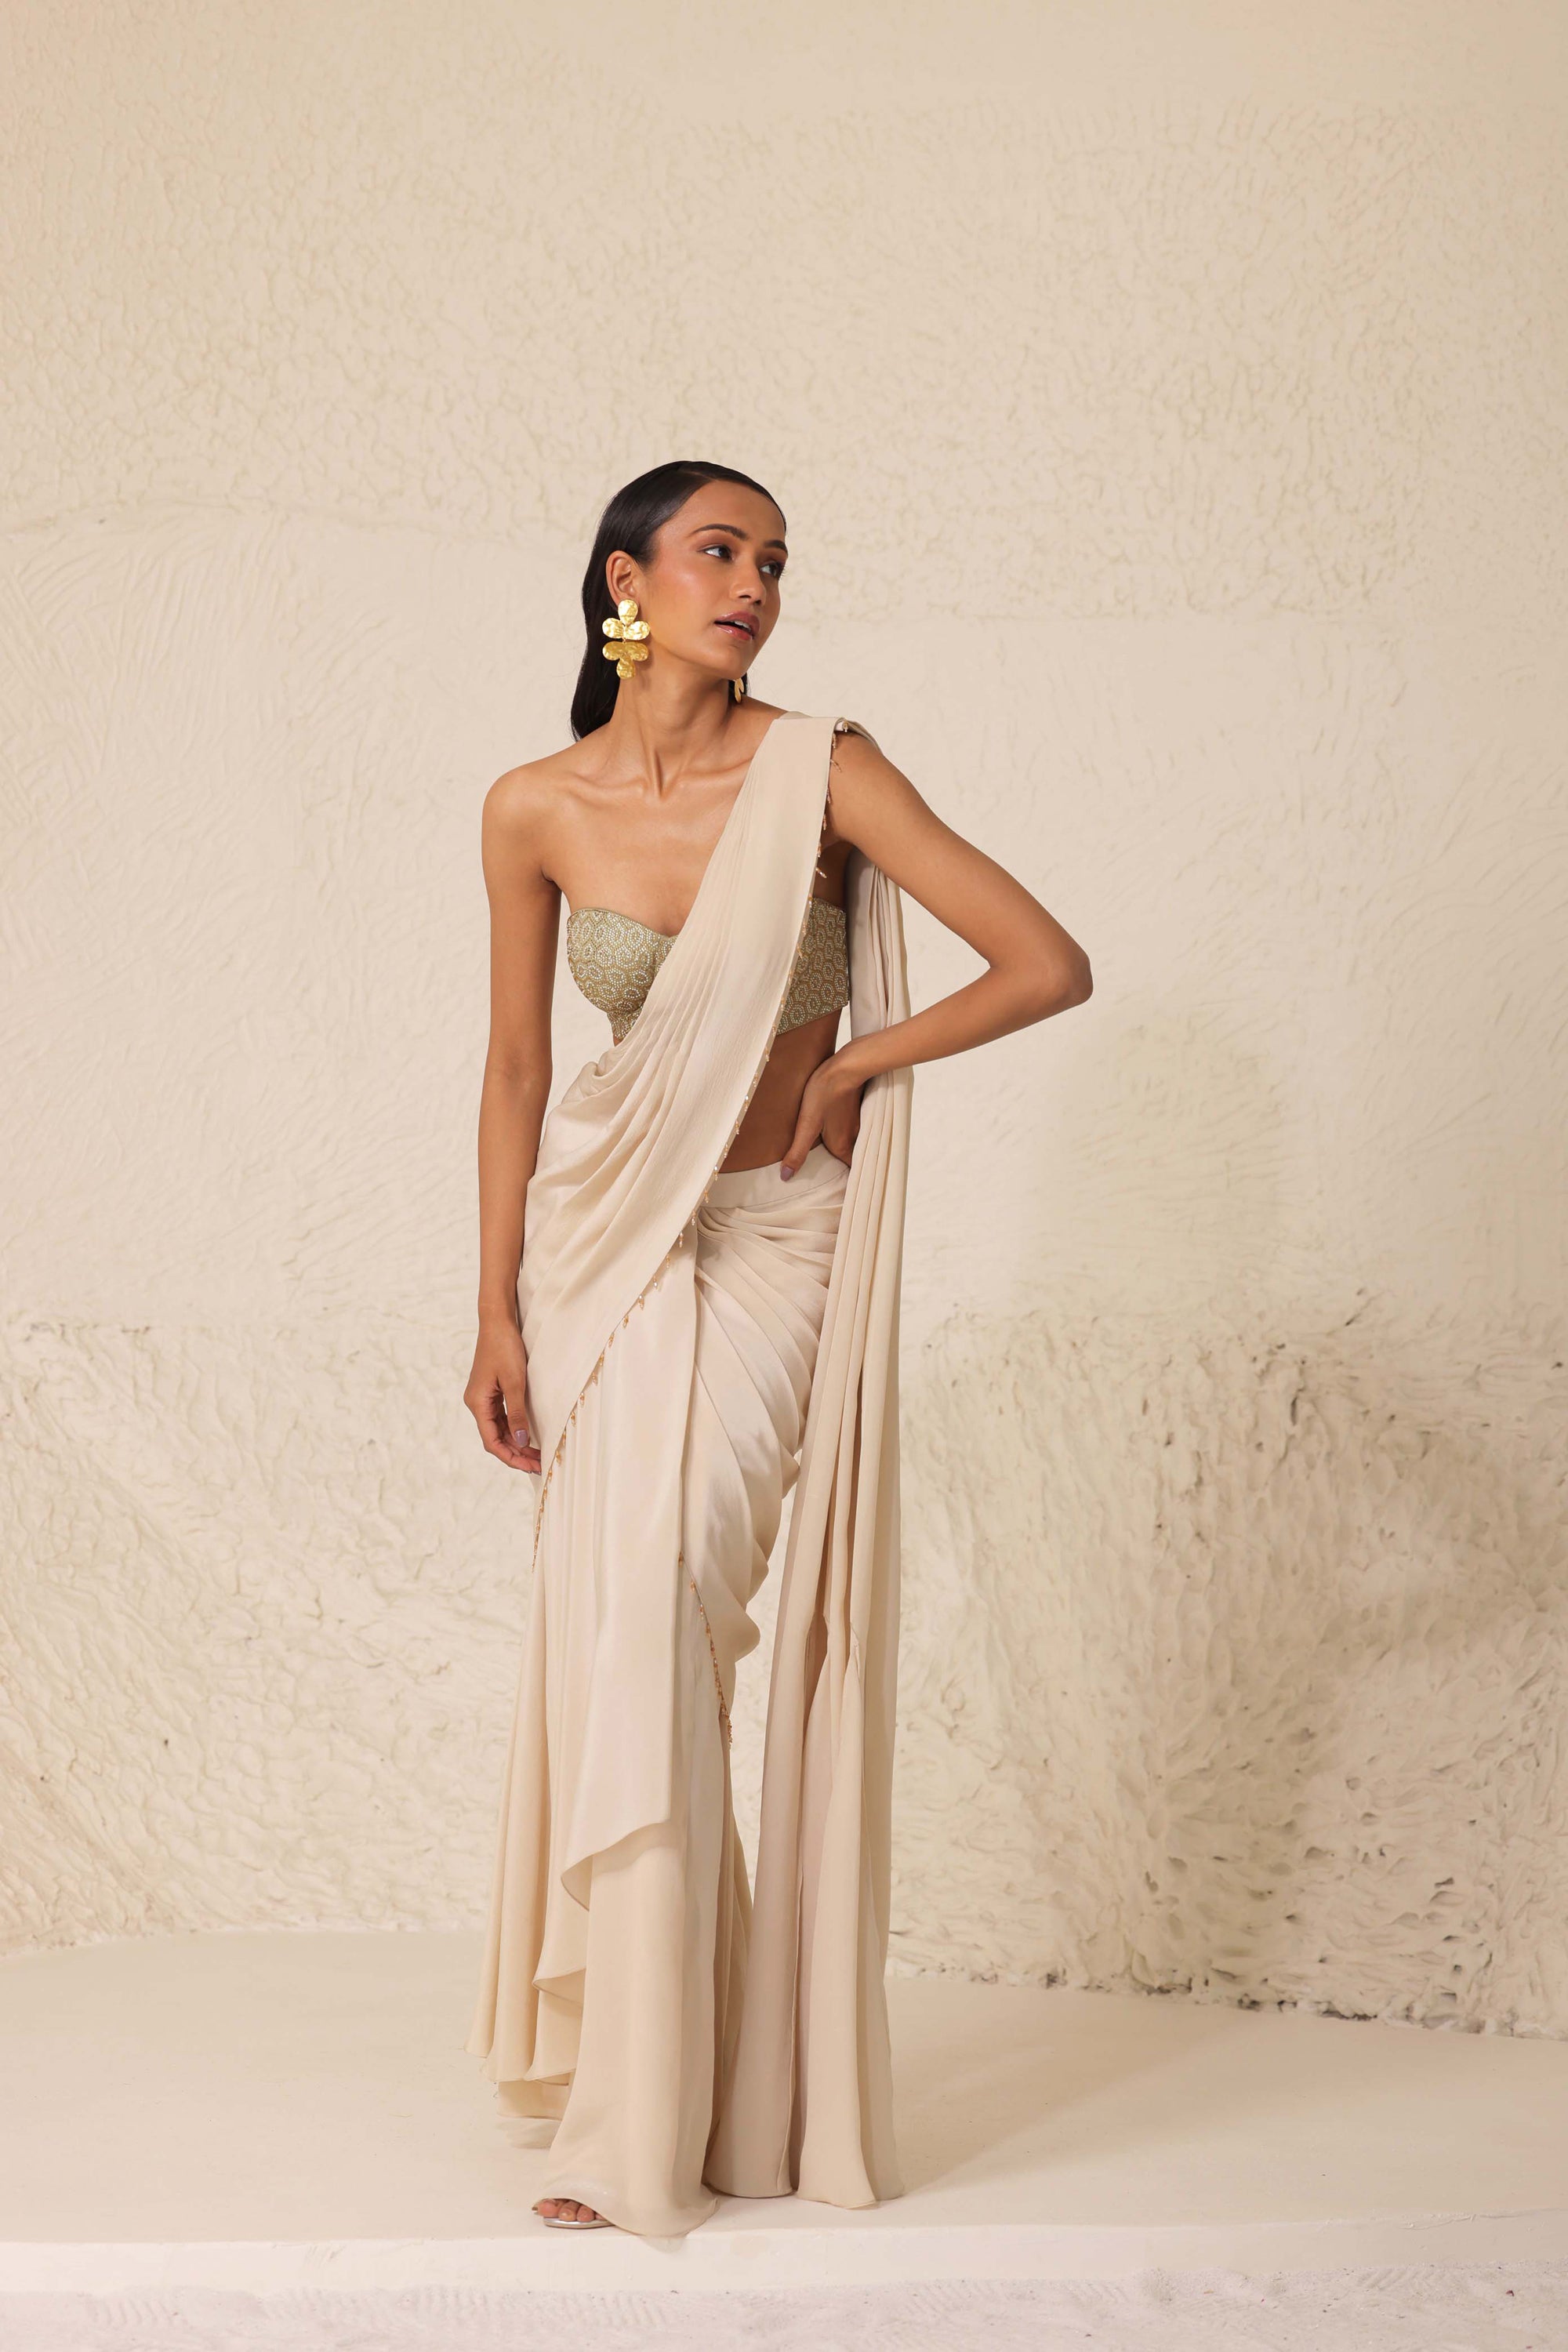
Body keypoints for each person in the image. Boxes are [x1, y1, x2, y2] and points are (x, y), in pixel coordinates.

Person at [463, 459, 1092, 2238]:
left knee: (670, 1601)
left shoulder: (827, 771)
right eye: (719, 552)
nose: (754, 585)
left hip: (773, 1237)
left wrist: (860, 1062)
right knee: (619, 1626)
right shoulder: (532, 808)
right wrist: (493, 1304)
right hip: (604, 1245)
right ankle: (637, 2103)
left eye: (774, 562)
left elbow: (1043, 962)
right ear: (627, 581)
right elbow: (516, 1069)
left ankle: (672, 2104)